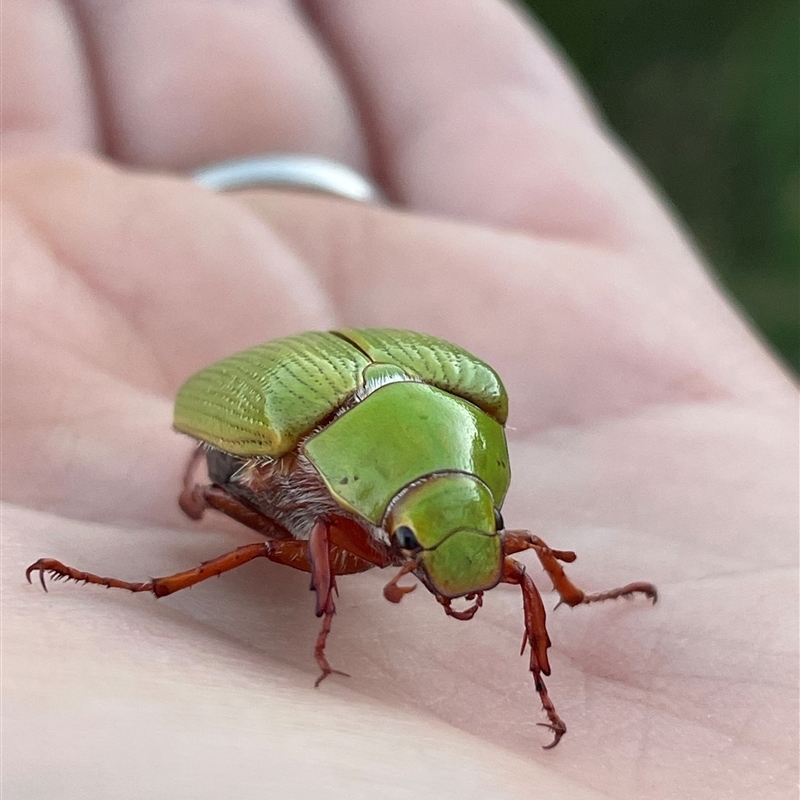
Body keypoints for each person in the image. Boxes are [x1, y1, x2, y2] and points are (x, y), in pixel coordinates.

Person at [3, 2, 796, 798]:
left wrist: (556, 584)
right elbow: (305, 530)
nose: (463, 572)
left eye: (487, 526)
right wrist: (325, 619)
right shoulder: (318, 463)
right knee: (258, 536)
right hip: (281, 426)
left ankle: (559, 633)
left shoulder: (475, 429)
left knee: (522, 566)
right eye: (418, 547)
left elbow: (516, 555)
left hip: (404, 402)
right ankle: (152, 589)